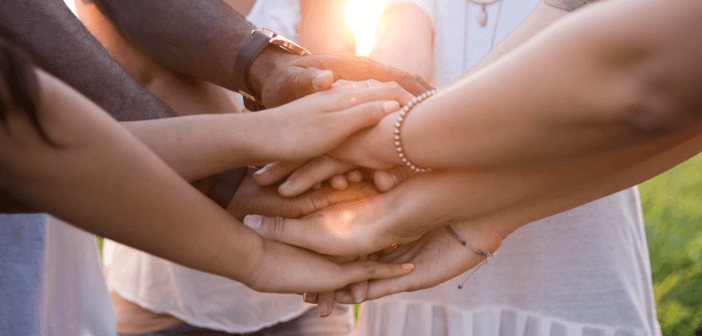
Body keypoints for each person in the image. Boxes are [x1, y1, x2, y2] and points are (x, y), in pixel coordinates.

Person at [244, 0, 702, 311]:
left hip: (569, 266)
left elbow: (647, 78)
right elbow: (401, 62)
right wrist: (382, 135)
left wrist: (391, 152)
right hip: (432, 274)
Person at [0, 39, 416, 335]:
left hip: (293, 292)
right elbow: (34, 131)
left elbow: (31, 132)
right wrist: (260, 139)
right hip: (169, 293)